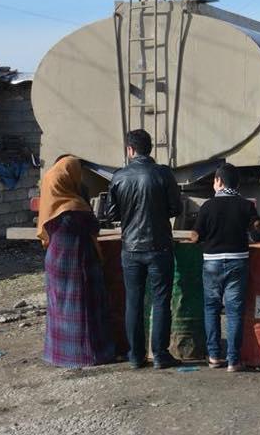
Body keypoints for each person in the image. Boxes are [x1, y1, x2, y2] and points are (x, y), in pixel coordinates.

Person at [106, 129, 183, 369]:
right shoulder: (163, 174)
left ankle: (136, 356)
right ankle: (160, 354)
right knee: (161, 300)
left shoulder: (119, 176)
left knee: (133, 301)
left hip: (130, 248)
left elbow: (111, 214)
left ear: (130, 150)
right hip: (159, 246)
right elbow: (176, 208)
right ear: (150, 149)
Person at [38, 155, 115, 368]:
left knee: (59, 307)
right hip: (78, 261)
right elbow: (94, 228)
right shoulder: (75, 206)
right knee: (83, 308)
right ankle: (87, 355)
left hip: (55, 261)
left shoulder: (49, 204)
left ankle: (58, 354)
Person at [188, 163, 260, 371]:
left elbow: (196, 236)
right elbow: (258, 229)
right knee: (234, 311)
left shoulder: (208, 206)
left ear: (219, 181)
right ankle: (233, 360)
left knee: (211, 308)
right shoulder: (246, 205)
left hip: (211, 262)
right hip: (237, 261)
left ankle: (214, 356)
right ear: (237, 184)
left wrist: (196, 236)